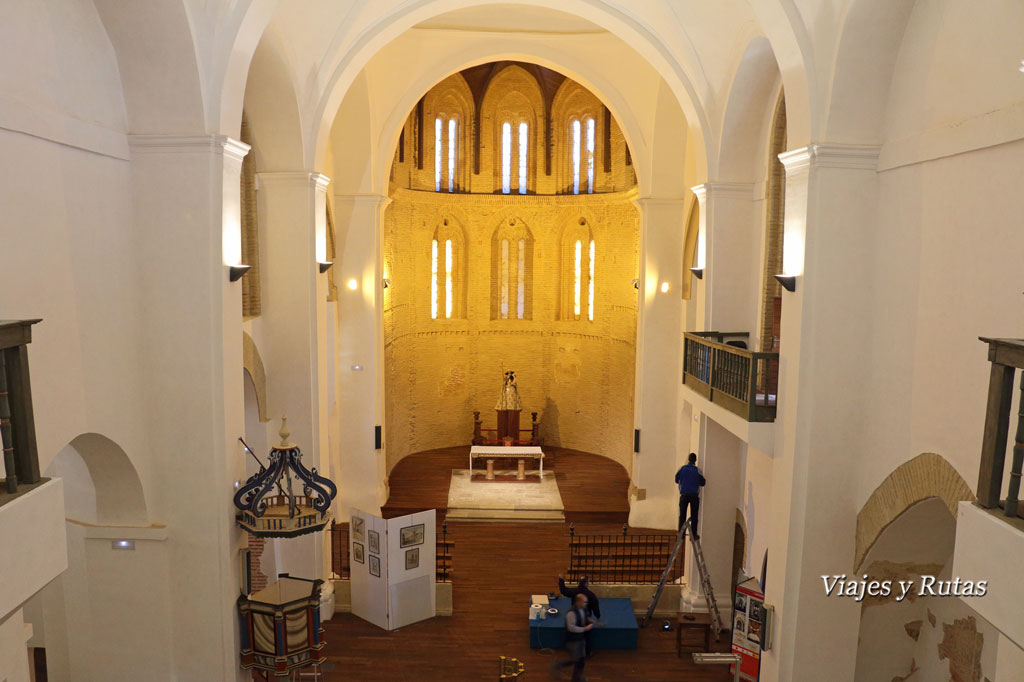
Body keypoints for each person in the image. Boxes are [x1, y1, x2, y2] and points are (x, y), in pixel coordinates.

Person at [550, 593, 595, 682]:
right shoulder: (571, 613)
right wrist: (585, 628)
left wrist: (588, 620)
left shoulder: (583, 609)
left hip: (580, 639)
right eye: (584, 602)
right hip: (573, 640)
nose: (586, 604)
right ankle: (558, 665)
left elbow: (583, 618)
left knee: (580, 660)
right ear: (578, 602)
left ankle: (575, 678)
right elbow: (571, 628)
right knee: (576, 659)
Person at [557, 574, 600, 656]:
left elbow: (564, 591)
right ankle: (587, 652)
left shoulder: (574, 592)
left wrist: (561, 580)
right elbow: (595, 606)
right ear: (587, 584)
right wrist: (598, 616)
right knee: (587, 636)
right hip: (585, 617)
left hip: (575, 616)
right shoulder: (590, 594)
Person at [675, 452, 706, 537]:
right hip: (694, 496)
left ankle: (681, 534)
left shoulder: (682, 468)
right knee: (694, 515)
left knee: (682, 515)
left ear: (688, 459)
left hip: (684, 495)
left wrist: (684, 482)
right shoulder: (698, 470)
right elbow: (703, 483)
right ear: (695, 460)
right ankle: (694, 534)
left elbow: (676, 479)